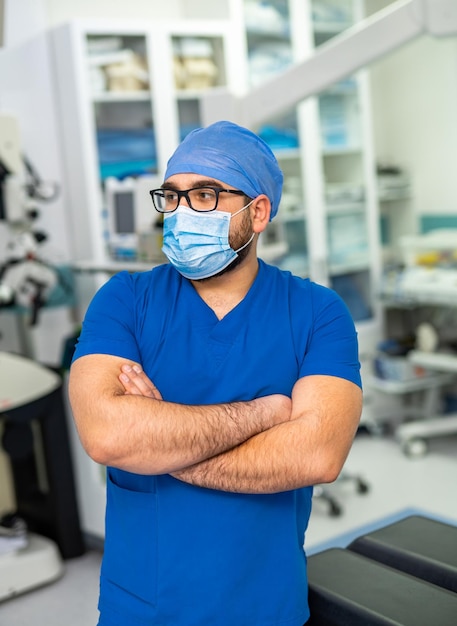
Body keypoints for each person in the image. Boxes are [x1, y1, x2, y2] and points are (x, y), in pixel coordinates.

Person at [69, 120, 362, 626]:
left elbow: (317, 455)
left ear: (259, 211)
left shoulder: (317, 312)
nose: (182, 212)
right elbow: (108, 437)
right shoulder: (125, 299)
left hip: (265, 603)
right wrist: (261, 414)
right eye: (173, 196)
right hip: (144, 604)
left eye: (205, 195)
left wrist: (159, 441)